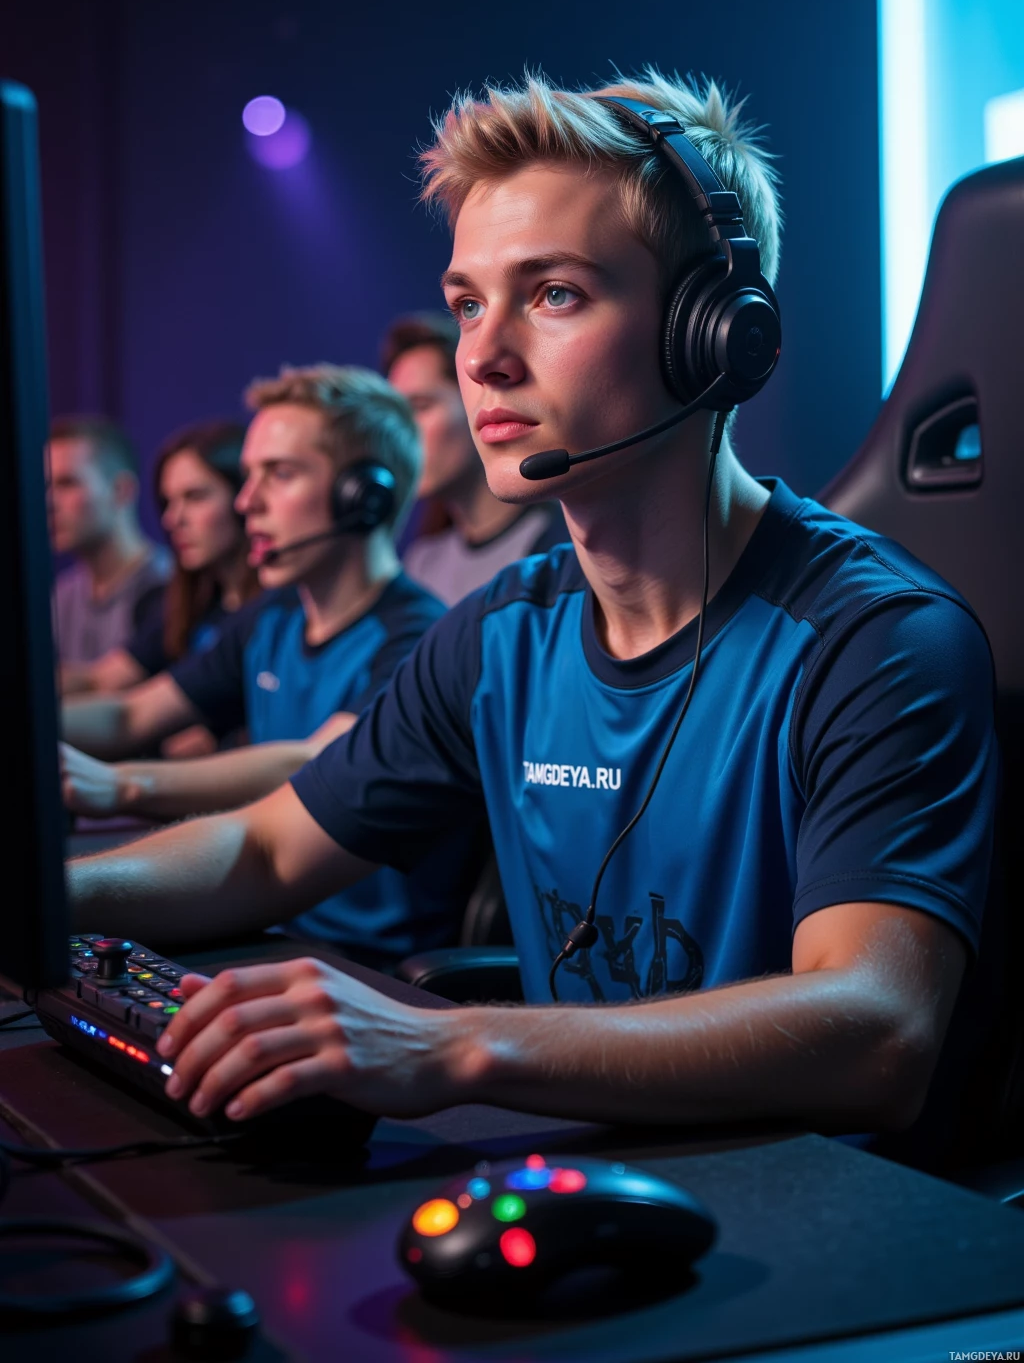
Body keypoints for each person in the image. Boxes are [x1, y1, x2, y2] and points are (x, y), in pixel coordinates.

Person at [68, 71, 996, 1152]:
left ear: (714, 334)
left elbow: (878, 1032)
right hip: (585, 1173)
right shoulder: (501, 633)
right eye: (469, 302)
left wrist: (456, 1047)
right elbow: (269, 852)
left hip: (813, 1217)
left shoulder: (874, 640)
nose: (480, 355)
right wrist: (44, 893)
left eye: (553, 293)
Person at [63, 364, 470, 964]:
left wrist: (123, 783)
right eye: (249, 475)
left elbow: (317, 761)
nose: (246, 501)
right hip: (265, 929)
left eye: (279, 474)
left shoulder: (418, 635)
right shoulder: (270, 618)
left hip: (364, 961)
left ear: (364, 497)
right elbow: (131, 717)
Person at [59, 423, 261, 754]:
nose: (173, 519)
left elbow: (141, 723)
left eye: (195, 497)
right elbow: (104, 683)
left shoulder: (269, 613)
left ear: (243, 498)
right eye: (168, 502)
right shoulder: (190, 603)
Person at [384, 312, 566, 605]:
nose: (401, 433)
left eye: (420, 406)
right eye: (396, 416)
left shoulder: (560, 546)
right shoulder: (421, 565)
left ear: (479, 401)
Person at [49, 416, 172, 678]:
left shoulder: (169, 588)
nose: (49, 502)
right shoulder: (61, 597)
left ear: (121, 490)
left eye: (67, 483)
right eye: (45, 487)